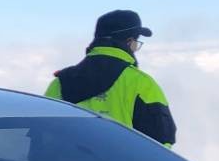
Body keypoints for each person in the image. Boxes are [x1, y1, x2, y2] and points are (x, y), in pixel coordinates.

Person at [45, 9, 176, 146]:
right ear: (129, 42)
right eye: (136, 43)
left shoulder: (59, 82)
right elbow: (162, 143)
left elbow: (42, 133)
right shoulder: (142, 84)